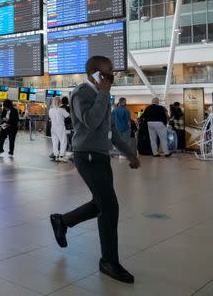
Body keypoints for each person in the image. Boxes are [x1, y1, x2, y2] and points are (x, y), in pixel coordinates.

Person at [50, 56, 140, 284]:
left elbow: (109, 129)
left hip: (101, 156)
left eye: (112, 74)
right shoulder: (82, 93)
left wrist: (129, 153)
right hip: (86, 156)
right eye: (108, 74)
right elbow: (90, 120)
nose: (112, 78)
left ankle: (63, 221)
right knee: (109, 206)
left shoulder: (102, 94)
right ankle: (108, 261)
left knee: (101, 203)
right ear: (94, 74)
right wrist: (103, 92)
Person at [49, 96, 70, 162]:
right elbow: (68, 115)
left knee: (55, 142)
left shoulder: (50, 110)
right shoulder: (62, 110)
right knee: (63, 141)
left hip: (53, 128)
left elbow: (50, 118)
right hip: (60, 127)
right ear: (60, 102)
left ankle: (56, 156)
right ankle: (61, 156)